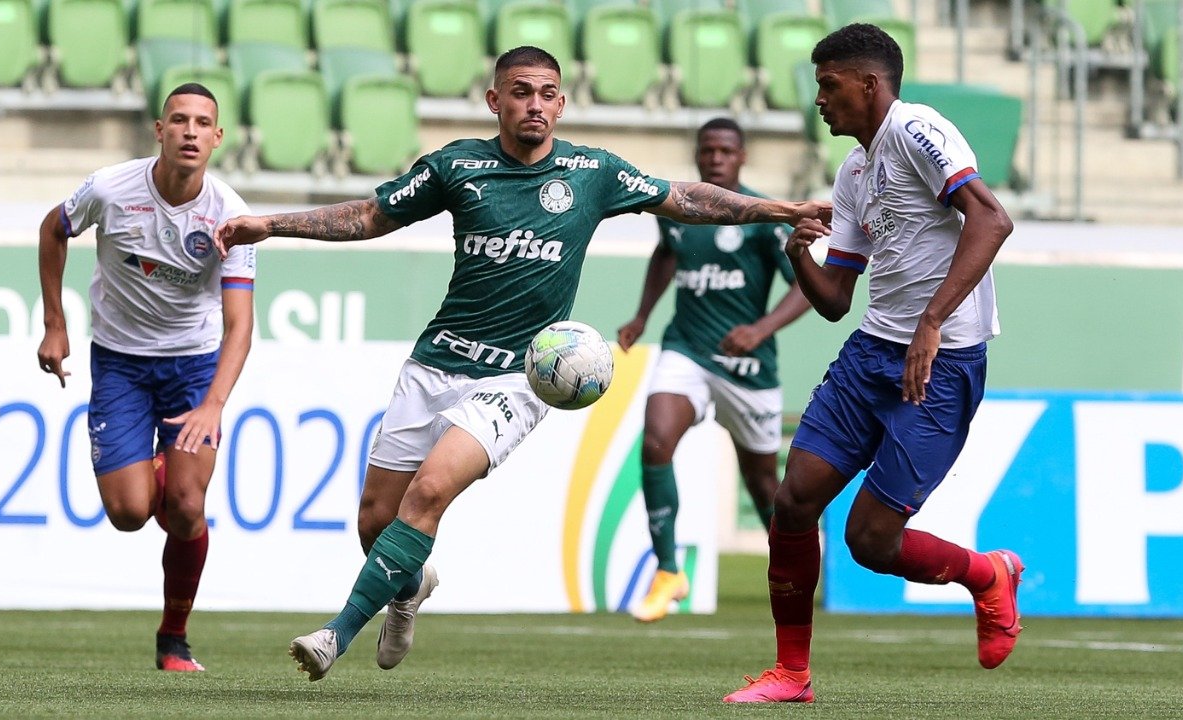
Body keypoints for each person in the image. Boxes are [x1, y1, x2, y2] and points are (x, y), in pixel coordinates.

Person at [213, 45, 830, 682]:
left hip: (519, 376)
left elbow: (686, 199)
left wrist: (783, 209)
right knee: (376, 520)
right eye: (520, 91)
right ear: (495, 100)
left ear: (561, 104)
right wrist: (271, 224)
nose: (535, 104)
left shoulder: (593, 172)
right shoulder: (457, 165)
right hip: (436, 362)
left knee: (429, 492)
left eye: (546, 93)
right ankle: (410, 587)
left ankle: (334, 634)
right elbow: (371, 216)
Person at [722, 24, 1021, 704]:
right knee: (793, 501)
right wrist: (798, 253)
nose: (819, 99)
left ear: (869, 83)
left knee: (869, 541)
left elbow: (991, 220)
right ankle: (791, 674)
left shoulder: (918, 130)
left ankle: (987, 575)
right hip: (871, 352)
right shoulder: (854, 172)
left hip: (940, 363)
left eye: (828, 85)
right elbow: (835, 300)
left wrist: (932, 322)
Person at [36, 83, 256, 673]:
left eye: (202, 123)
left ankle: (173, 639)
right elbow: (53, 229)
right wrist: (55, 324)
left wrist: (214, 403)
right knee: (130, 513)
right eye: (178, 120)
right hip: (120, 362)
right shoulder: (111, 188)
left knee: (185, 506)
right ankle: (159, 465)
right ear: (159, 130)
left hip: (193, 365)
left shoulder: (230, 215)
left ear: (218, 137)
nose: (190, 131)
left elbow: (240, 325)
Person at [616, 118, 812, 623]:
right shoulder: (678, 210)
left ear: (742, 157)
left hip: (748, 366)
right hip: (686, 348)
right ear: (698, 155)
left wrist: (761, 329)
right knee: (656, 442)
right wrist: (642, 315)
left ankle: (793, 570)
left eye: (726, 151)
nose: (716, 158)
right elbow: (666, 254)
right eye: (708, 150)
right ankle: (668, 570)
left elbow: (805, 287)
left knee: (764, 485)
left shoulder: (764, 217)